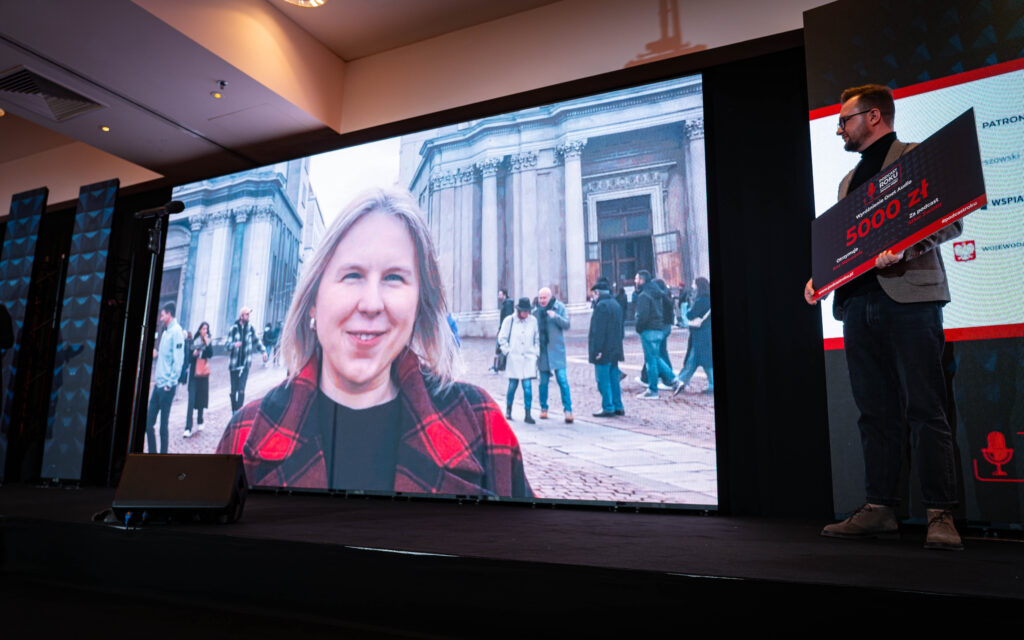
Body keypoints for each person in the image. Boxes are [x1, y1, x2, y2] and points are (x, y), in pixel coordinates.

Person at [217, 188, 531, 497]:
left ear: (419, 303)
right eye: (352, 275)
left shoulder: (481, 422)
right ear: (313, 300)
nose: (371, 304)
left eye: (394, 278)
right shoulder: (245, 434)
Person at [805, 84, 962, 550]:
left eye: (844, 120)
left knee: (926, 408)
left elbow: (951, 218)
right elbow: (847, 244)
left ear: (873, 116)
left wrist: (906, 248)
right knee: (874, 413)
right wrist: (821, 276)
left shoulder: (915, 157)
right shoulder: (846, 181)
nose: (838, 129)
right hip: (857, 304)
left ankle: (940, 515)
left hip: (910, 300)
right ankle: (880, 508)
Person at [145, 303, 184, 454]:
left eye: (162, 315)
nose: (161, 318)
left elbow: (178, 361)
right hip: (158, 385)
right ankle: (153, 453)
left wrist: (170, 383)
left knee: (163, 426)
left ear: (169, 314)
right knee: (148, 424)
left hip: (167, 386)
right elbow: (161, 355)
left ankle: (163, 455)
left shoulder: (176, 332)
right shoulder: (165, 332)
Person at [634, 270, 679, 399]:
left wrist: (638, 328)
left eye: (636, 279)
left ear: (641, 280)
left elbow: (643, 317)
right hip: (658, 329)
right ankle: (674, 380)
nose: (635, 281)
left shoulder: (644, 295)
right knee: (656, 358)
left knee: (651, 362)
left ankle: (653, 389)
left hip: (649, 330)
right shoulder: (657, 294)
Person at [498, 297, 539, 424]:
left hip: (528, 358)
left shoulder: (533, 321)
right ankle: (508, 409)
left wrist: (535, 353)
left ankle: (528, 413)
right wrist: (507, 351)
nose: (526, 313)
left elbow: (537, 338)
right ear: (519, 310)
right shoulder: (509, 320)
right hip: (514, 358)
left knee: (528, 387)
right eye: (524, 311)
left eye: (527, 311)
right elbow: (502, 338)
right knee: (512, 386)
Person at [535, 287, 572, 423]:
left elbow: (567, 324)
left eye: (544, 298)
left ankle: (568, 410)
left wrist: (555, 316)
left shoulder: (559, 307)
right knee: (543, 382)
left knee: (562, 380)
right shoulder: (536, 311)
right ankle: (543, 408)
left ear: (550, 297)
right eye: (540, 298)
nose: (542, 300)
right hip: (543, 351)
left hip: (557, 350)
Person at [588, 277, 624, 417]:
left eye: (594, 293)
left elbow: (599, 331)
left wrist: (597, 350)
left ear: (597, 293)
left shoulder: (601, 307)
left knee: (603, 380)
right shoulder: (615, 304)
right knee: (614, 379)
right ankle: (618, 405)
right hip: (615, 348)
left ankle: (608, 406)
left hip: (604, 350)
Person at [673, 277, 713, 395]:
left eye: (694, 283)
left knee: (695, 360)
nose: (692, 285)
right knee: (702, 360)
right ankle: (682, 380)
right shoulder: (706, 299)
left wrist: (687, 309)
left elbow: (690, 315)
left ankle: (681, 380)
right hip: (705, 332)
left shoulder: (701, 300)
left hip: (700, 334)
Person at [227, 306, 267, 412]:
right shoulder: (233, 329)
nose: (248, 316)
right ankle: (234, 411)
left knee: (241, 390)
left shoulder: (250, 329)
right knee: (233, 390)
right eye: (247, 314)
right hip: (234, 364)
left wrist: (263, 351)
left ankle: (238, 412)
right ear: (241, 316)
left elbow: (256, 341)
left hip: (245, 364)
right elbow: (227, 345)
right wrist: (233, 345)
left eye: (249, 314)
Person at [184, 321, 213, 438]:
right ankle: (188, 427)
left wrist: (207, 343)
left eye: (206, 329)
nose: (204, 331)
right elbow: (189, 358)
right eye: (203, 328)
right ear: (199, 330)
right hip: (193, 375)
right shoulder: (194, 341)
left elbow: (210, 354)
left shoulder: (208, 341)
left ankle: (200, 420)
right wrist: (194, 354)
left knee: (201, 398)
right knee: (191, 401)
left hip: (203, 374)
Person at [489, 288, 515, 373]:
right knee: (499, 348)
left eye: (500, 294)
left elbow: (506, 319)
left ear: (504, 295)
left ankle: (498, 367)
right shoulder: (506, 304)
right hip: (503, 329)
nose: (498, 296)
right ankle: (497, 366)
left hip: (505, 330)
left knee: (499, 347)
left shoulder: (507, 304)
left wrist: (501, 329)